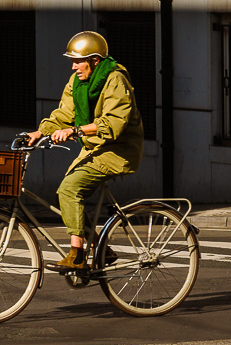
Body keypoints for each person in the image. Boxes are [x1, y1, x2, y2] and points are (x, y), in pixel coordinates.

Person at [26, 31, 144, 274]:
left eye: (77, 61)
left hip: (118, 149)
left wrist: (75, 131)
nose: (73, 67)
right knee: (67, 193)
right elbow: (64, 114)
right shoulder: (77, 82)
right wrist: (39, 132)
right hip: (94, 147)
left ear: (95, 60)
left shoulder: (115, 79)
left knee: (70, 189)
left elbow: (113, 124)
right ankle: (101, 248)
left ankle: (77, 255)